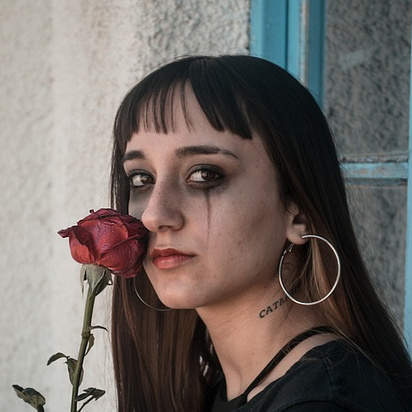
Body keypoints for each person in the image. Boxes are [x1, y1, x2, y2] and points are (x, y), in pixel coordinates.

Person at [109, 55, 412, 411]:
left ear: (299, 212)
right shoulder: (224, 387)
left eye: (205, 175)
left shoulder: (322, 403)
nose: (154, 215)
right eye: (141, 179)